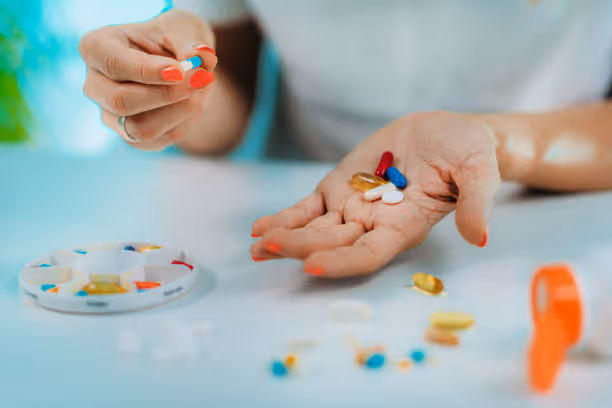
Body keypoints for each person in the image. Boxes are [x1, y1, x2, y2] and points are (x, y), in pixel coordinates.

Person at [79, 1, 612, 278]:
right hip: (307, 206)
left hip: (560, 209)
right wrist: (174, 92)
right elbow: (229, 97)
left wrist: (499, 143)